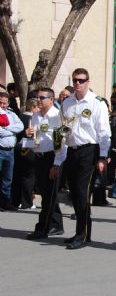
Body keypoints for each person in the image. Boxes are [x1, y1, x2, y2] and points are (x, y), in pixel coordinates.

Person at [55, 68, 111, 249]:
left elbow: (104, 132)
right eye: (75, 80)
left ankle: (83, 233)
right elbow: (60, 129)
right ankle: (82, 232)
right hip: (72, 150)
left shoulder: (97, 102)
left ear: (88, 82)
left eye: (81, 80)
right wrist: (59, 157)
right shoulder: (67, 103)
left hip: (89, 151)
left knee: (82, 193)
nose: (77, 84)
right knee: (74, 193)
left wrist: (103, 156)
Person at [25, 89, 65, 239]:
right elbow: (36, 138)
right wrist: (30, 134)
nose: (39, 100)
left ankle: (43, 227)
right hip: (39, 156)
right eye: (37, 97)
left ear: (51, 99)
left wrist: (56, 164)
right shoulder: (36, 116)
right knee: (47, 193)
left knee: (49, 195)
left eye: (42, 97)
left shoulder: (56, 116)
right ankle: (56, 225)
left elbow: (61, 142)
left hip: (53, 157)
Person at [0, 92, 24, 211]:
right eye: (0, 103)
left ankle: (5, 202)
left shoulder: (11, 114)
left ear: (8, 103)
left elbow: (20, 127)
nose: (2, 105)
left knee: (7, 179)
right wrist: (11, 130)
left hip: (10, 151)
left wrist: (6, 128)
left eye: (4, 103)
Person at [12, 98, 37, 210]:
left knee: (18, 175)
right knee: (29, 176)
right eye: (38, 107)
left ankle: (16, 201)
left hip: (18, 148)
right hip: (28, 149)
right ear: (33, 107)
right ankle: (27, 202)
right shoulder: (31, 119)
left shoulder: (19, 117)